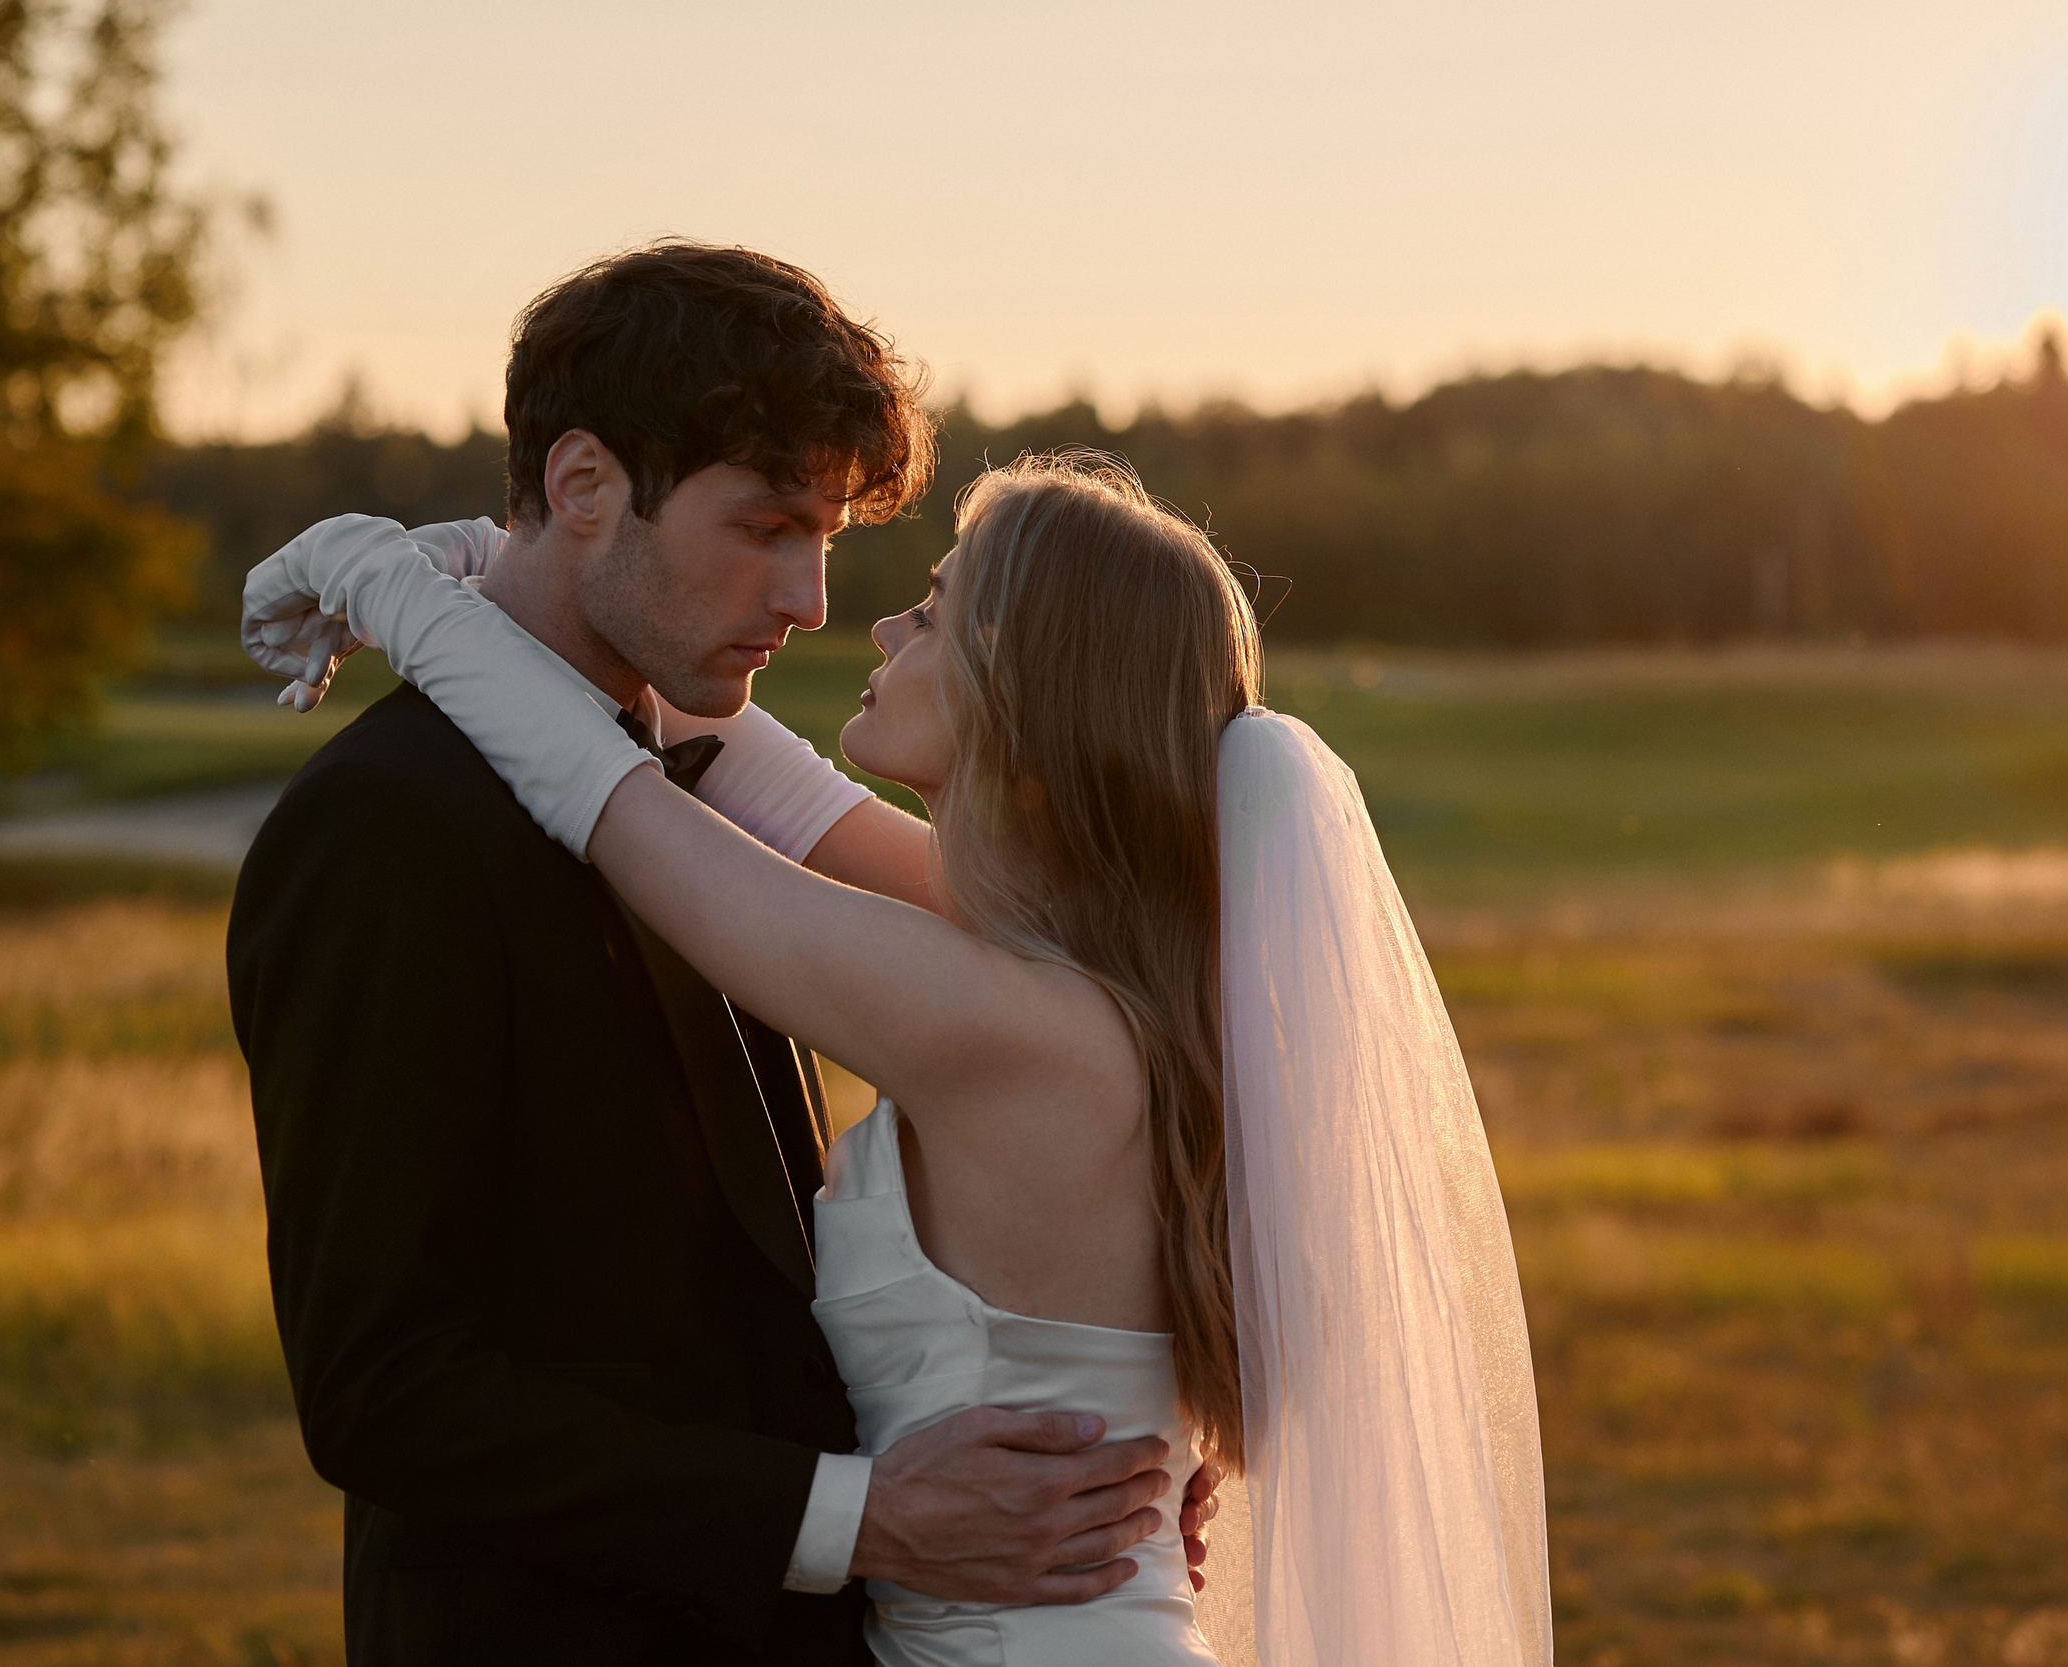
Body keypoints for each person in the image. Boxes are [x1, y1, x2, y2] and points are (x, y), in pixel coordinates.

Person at [245, 443, 1552, 1664]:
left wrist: (384, 584)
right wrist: (526, 562)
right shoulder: (1087, 970)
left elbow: (614, 799)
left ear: (1022, 693)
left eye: (930, 614)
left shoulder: (1013, 1024)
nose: (874, 628)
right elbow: (777, 790)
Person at [227, 243, 1209, 1666]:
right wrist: (855, 1519)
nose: (812, 599)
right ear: (581, 487)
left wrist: (1121, 1445)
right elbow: (384, 1389)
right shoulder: (388, 828)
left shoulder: (688, 800)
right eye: (763, 528)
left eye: (828, 538)